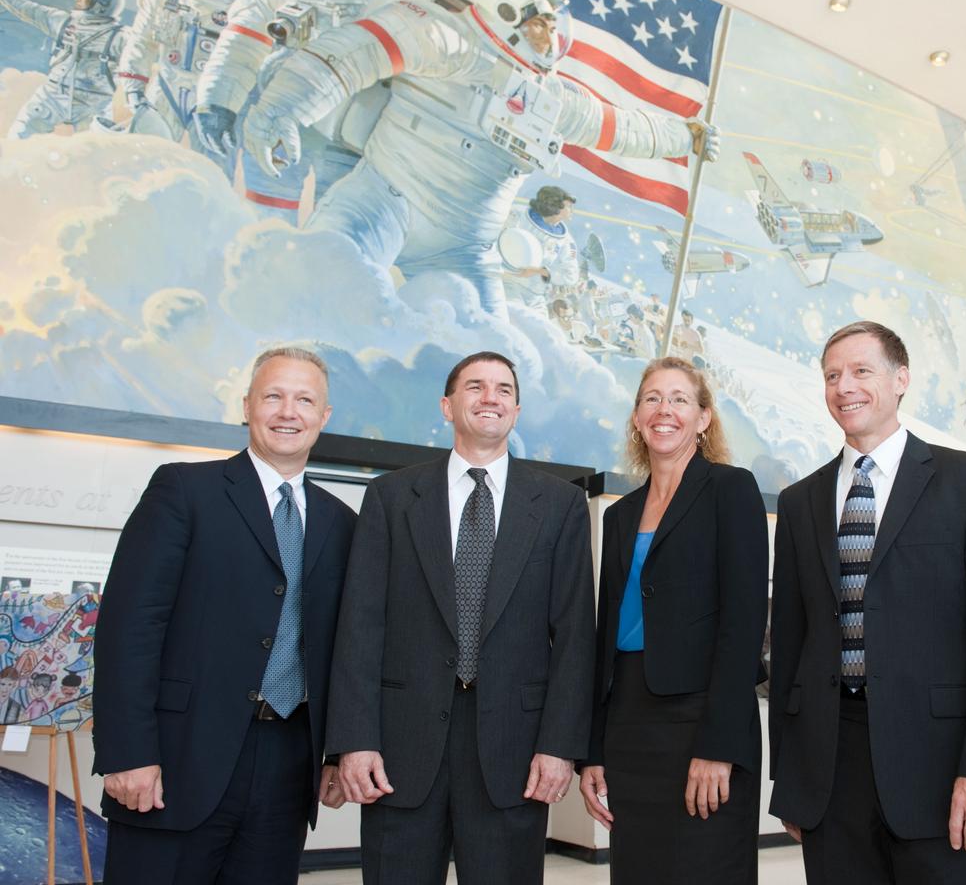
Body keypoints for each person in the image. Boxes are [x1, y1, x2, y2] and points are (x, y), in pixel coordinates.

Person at [238, 0, 719, 316]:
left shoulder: (554, 98)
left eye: (553, 25)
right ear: (504, 13)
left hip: (465, 248)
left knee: (494, 366)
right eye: (537, 24)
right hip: (381, 202)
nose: (549, 37)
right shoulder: (447, 38)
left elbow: (619, 128)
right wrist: (281, 108)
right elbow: (351, 52)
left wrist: (686, 137)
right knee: (311, 290)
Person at [768, 321, 966, 885]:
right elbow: (792, 642)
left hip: (942, 770)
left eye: (861, 371)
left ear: (901, 379)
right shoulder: (799, 503)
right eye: (832, 375)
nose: (844, 387)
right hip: (830, 770)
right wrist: (790, 777)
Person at [92, 347, 357, 885]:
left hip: (288, 762)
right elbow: (129, 629)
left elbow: (344, 648)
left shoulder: (341, 522)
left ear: (324, 417)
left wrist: (337, 751)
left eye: (305, 400)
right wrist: (127, 753)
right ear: (247, 406)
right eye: (273, 396)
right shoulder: (184, 490)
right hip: (176, 758)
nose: (289, 412)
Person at [329, 351, 595, 884]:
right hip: (400, 749)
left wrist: (559, 747)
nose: (489, 397)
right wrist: (353, 741)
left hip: (514, 753)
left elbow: (573, 637)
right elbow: (360, 626)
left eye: (502, 389)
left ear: (516, 410)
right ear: (448, 406)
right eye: (475, 387)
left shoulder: (560, 505)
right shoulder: (391, 496)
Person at [580, 357, 767, 884]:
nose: (665, 410)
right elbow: (604, 639)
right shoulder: (620, 514)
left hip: (701, 720)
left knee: (706, 869)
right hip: (629, 725)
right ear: (637, 417)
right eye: (652, 399)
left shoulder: (731, 490)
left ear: (704, 418)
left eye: (680, 399)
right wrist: (592, 750)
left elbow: (743, 624)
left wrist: (719, 744)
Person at [194, 0, 385, 220]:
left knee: (336, 220)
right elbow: (238, 50)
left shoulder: (381, 9)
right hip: (274, 120)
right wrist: (217, 102)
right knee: (268, 213)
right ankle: (267, 256)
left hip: (345, 132)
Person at [115, 0, 245, 160]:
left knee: (212, 172)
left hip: (215, 100)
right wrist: (133, 89)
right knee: (142, 161)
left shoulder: (247, 5)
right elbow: (141, 38)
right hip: (166, 87)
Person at [0, 0, 125, 138]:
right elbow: (26, 8)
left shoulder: (121, 38)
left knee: (88, 158)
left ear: (101, 5)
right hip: (51, 100)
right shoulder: (63, 22)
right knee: (17, 142)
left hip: (92, 108)